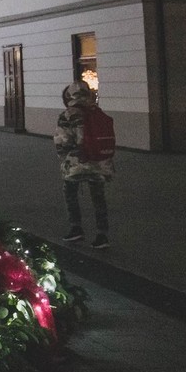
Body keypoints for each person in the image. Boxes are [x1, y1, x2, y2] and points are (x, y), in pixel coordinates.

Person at [53, 81, 114, 249]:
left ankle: (76, 228)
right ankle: (102, 234)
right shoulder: (97, 112)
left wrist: (64, 156)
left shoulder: (68, 114)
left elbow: (62, 140)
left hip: (76, 162)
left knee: (70, 193)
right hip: (99, 162)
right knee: (98, 197)